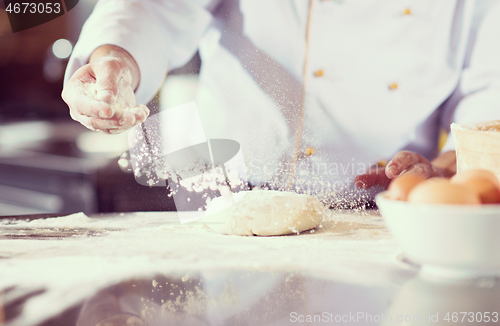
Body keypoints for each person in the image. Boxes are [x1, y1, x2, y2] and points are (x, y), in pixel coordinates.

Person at [62, 0, 500, 206]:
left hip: (383, 215)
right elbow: (153, 8)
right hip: (222, 204)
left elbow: (490, 91)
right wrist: (115, 58)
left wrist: (454, 167)